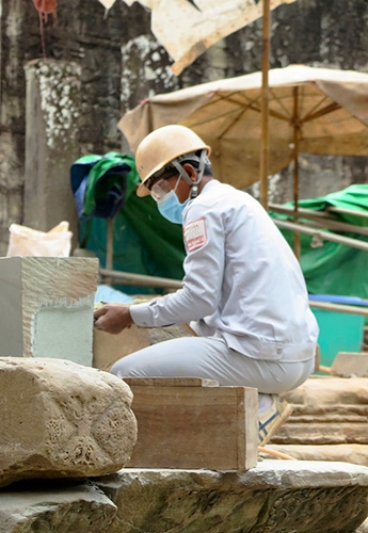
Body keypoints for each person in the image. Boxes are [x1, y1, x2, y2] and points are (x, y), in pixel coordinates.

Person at [93, 124, 318, 446]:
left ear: (188, 172)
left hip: (266, 359)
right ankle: (261, 404)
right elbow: (209, 303)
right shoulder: (237, 201)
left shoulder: (202, 209)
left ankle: (251, 411)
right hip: (296, 357)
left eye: (159, 189)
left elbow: (199, 299)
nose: (159, 200)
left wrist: (130, 314)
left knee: (124, 373)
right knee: (193, 331)